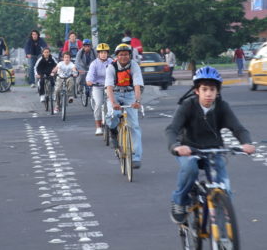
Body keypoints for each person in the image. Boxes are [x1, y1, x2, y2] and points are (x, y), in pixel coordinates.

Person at [165, 66, 255, 224]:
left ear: (217, 91)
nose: (208, 93)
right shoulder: (188, 106)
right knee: (190, 169)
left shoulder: (222, 107)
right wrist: (176, 147)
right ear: (197, 91)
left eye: (212, 89)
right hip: (190, 149)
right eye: (204, 89)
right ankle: (179, 201)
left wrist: (246, 143)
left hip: (214, 150)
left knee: (223, 186)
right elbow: (172, 129)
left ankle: (223, 230)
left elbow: (239, 129)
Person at [105, 43, 144, 169]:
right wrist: (114, 103)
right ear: (116, 56)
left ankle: (136, 157)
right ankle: (113, 131)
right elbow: (109, 88)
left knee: (135, 126)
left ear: (130, 55)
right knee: (113, 115)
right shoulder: (111, 67)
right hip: (115, 94)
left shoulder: (134, 65)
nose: (123, 57)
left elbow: (137, 84)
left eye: (126, 54)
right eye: (121, 55)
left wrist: (137, 101)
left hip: (129, 94)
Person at [86, 43, 113, 135]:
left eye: (105, 52)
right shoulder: (94, 64)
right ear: (98, 54)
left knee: (112, 104)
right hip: (97, 86)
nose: (103, 54)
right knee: (98, 104)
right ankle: (98, 127)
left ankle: (113, 124)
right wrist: (89, 81)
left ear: (108, 53)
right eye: (101, 52)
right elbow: (90, 75)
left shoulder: (112, 62)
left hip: (110, 87)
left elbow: (116, 73)